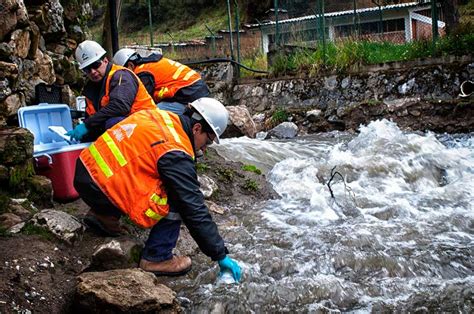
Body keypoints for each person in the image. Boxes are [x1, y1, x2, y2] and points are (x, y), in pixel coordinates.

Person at [73, 97, 241, 281]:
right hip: (102, 188)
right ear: (197, 128)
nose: (205, 149)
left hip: (85, 172)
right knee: (177, 197)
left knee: (147, 173)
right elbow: (193, 208)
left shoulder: (159, 116)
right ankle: (157, 258)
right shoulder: (176, 150)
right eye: (207, 142)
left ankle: (103, 215)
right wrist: (220, 255)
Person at [67, 40, 156, 142]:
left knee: (113, 123)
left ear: (105, 60)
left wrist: (87, 125)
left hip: (149, 127)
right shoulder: (91, 89)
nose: (93, 71)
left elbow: (120, 106)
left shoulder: (121, 75)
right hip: (134, 130)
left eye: (95, 65)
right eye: (87, 69)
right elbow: (94, 118)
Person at [112, 48, 210, 115]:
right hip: (196, 90)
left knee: (151, 115)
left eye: (123, 71)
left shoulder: (142, 74)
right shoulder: (151, 64)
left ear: (130, 65)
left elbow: (144, 102)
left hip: (189, 95)